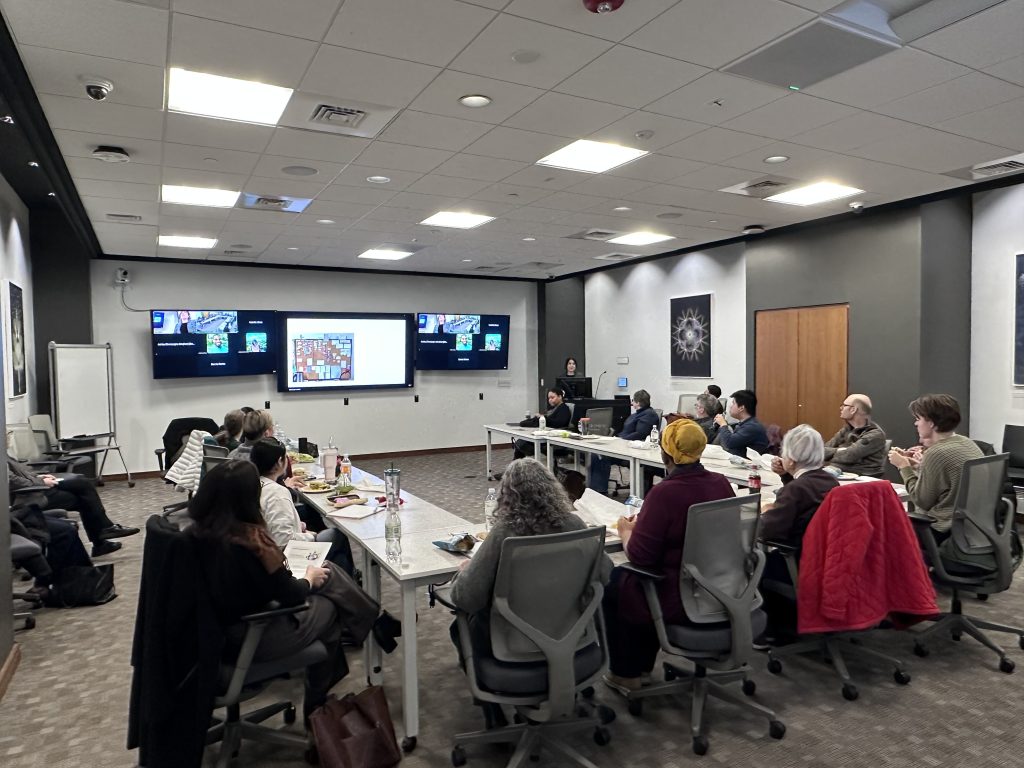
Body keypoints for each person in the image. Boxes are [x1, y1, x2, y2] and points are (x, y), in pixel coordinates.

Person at [188, 460, 397, 724]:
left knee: (327, 574)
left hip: (212, 636)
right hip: (253, 635)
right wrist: (309, 579)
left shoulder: (199, 534)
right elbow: (291, 595)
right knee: (330, 603)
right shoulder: (249, 543)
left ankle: (325, 691)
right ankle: (318, 701)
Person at [602, 419, 734, 693]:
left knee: (620, 580)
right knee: (638, 582)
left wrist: (627, 530)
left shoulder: (664, 493)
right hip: (722, 588)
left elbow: (641, 556)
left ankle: (629, 672)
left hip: (679, 595)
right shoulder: (720, 484)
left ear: (666, 454)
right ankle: (643, 667)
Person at [450, 458, 612, 661]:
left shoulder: (504, 532)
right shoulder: (574, 523)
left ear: (505, 495)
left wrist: (466, 571)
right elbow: (605, 573)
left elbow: (466, 598)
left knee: (460, 625)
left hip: (511, 642)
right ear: (552, 489)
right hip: (569, 632)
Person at [759, 425, 840, 642]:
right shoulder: (830, 481)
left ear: (791, 459)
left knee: (754, 559)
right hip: (830, 560)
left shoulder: (796, 490)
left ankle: (773, 630)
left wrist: (768, 512)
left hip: (799, 561)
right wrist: (787, 476)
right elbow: (804, 499)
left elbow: (768, 531)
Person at [251, 438, 355, 576]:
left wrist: (298, 526)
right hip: (288, 557)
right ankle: (350, 584)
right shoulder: (277, 493)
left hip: (264, 556)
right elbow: (283, 540)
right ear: (279, 462)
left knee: (339, 557)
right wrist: (309, 536)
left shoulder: (253, 484)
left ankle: (345, 585)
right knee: (337, 535)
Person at [887, 394, 982, 541]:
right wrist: (917, 464)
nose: (915, 424)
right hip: (971, 526)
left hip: (941, 529)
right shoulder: (966, 442)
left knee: (883, 530)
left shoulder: (936, 453)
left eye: (918, 419)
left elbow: (921, 500)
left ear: (931, 423)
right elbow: (946, 480)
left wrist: (903, 466)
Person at [7, 458, 138, 557]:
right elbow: (11, 480)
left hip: (33, 489)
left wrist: (38, 476)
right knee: (82, 494)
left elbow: (20, 471)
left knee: (82, 486)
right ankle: (102, 537)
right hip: (25, 497)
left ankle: (103, 536)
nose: (8, 435)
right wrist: (40, 482)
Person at [587, 390, 659, 495]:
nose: (632, 402)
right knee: (596, 453)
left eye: (633, 401)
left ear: (637, 402)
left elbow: (640, 433)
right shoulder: (638, 414)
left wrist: (620, 439)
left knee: (600, 455)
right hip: (623, 445)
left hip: (632, 450)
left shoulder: (649, 415)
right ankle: (594, 488)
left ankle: (599, 490)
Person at [822, 394, 887, 476]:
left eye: (844, 405)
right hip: (839, 473)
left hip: (861, 478)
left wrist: (836, 452)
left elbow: (848, 456)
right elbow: (822, 451)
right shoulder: (846, 430)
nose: (841, 408)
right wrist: (839, 450)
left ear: (853, 409)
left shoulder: (875, 434)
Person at [513, 388, 572, 459]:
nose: (550, 400)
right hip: (545, 434)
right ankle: (518, 464)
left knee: (522, 442)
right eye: (549, 398)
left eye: (552, 397)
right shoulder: (552, 409)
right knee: (522, 441)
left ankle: (518, 464)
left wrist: (544, 418)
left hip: (553, 436)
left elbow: (559, 423)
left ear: (560, 397)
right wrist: (539, 418)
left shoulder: (564, 409)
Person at [713, 389, 769, 457]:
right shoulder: (745, 424)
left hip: (749, 465)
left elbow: (729, 443)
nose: (731, 406)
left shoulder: (752, 427)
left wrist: (723, 424)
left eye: (733, 403)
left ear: (741, 408)